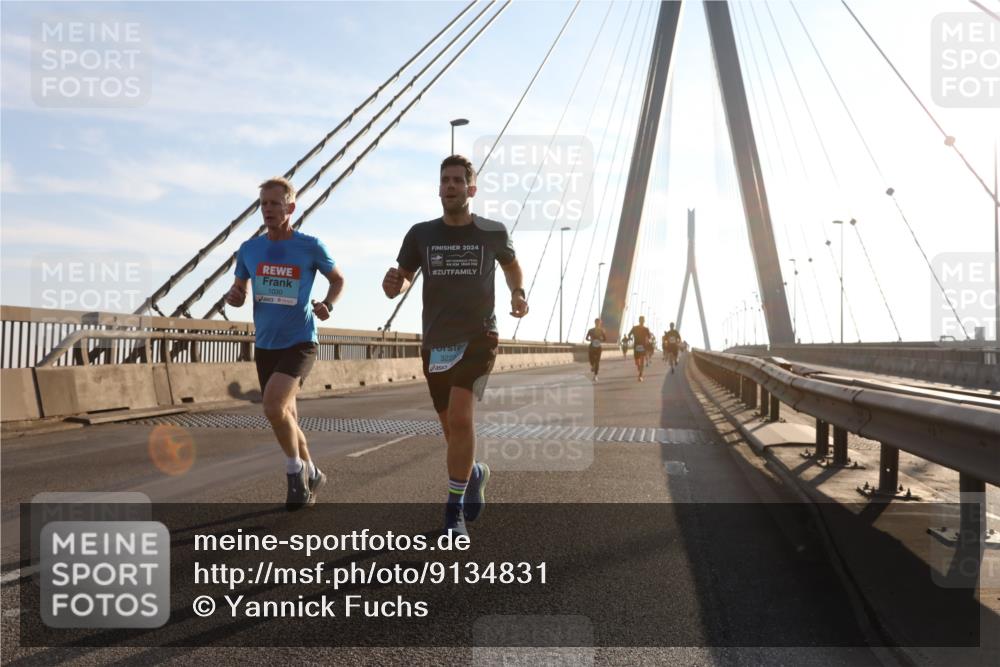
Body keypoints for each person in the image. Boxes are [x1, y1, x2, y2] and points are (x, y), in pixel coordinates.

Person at [383, 155, 528, 537]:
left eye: (457, 180)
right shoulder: (420, 234)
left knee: (462, 419)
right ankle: (474, 472)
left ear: (471, 189)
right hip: (436, 341)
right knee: (452, 431)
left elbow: (511, 264)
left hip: (480, 337)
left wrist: (518, 292)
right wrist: (393, 284)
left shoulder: (492, 232)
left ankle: (453, 513)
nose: (450, 185)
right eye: (445, 180)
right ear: (439, 187)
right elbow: (405, 279)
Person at [225, 176, 345, 511]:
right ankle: (314, 472)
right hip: (265, 344)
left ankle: (296, 476)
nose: (268, 209)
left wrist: (328, 304)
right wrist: (234, 296)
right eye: (263, 204)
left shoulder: (310, 246)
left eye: (275, 204)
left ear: (290, 208)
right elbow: (238, 294)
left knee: (273, 406)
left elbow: (338, 280)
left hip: (300, 342)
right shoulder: (250, 250)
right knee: (286, 416)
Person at [626, 316, 652, 382]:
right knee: (637, 362)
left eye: (643, 320)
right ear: (639, 320)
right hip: (636, 346)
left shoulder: (646, 329)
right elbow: (629, 334)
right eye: (641, 320)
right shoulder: (634, 328)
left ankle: (640, 376)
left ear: (644, 321)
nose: (642, 321)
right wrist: (630, 338)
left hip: (643, 346)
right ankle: (639, 367)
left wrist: (648, 340)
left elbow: (649, 337)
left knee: (642, 361)